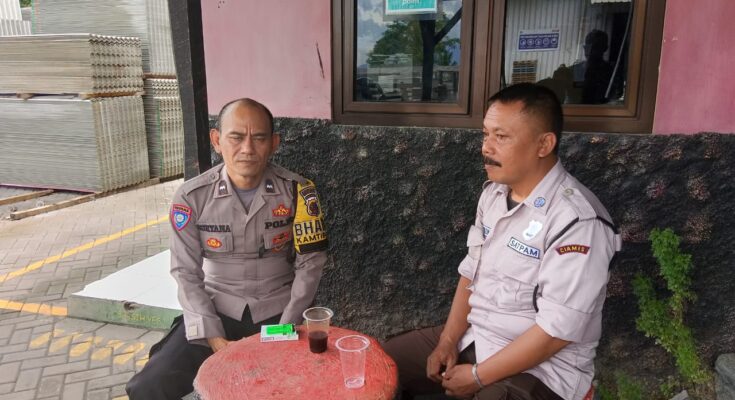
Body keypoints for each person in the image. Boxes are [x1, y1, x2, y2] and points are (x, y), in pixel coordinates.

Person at [383, 83, 621, 400]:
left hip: (542, 371)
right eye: (485, 134)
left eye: (501, 136)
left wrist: (478, 376)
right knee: (380, 363)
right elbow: (471, 272)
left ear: (544, 144)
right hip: (477, 337)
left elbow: (555, 334)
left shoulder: (578, 222)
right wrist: (447, 341)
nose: (486, 147)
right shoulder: (494, 195)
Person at [126, 98, 328, 399]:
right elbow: (185, 272)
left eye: (259, 138)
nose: (247, 148)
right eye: (236, 137)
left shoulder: (298, 192)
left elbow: (310, 264)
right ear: (216, 140)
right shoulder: (191, 197)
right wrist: (213, 336)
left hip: (279, 311)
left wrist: (286, 329)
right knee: (149, 386)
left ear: (274, 143)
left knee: (300, 388)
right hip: (215, 310)